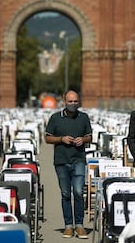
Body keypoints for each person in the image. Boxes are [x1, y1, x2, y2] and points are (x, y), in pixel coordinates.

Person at [45, 90, 92, 239]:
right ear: (64, 102)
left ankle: (79, 225)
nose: (73, 104)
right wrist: (61, 139)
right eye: (70, 101)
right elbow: (48, 138)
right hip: (61, 160)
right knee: (65, 194)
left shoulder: (83, 117)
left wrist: (83, 140)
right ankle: (68, 226)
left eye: (75, 101)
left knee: (78, 192)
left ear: (78, 102)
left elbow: (90, 136)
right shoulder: (55, 118)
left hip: (78, 159)